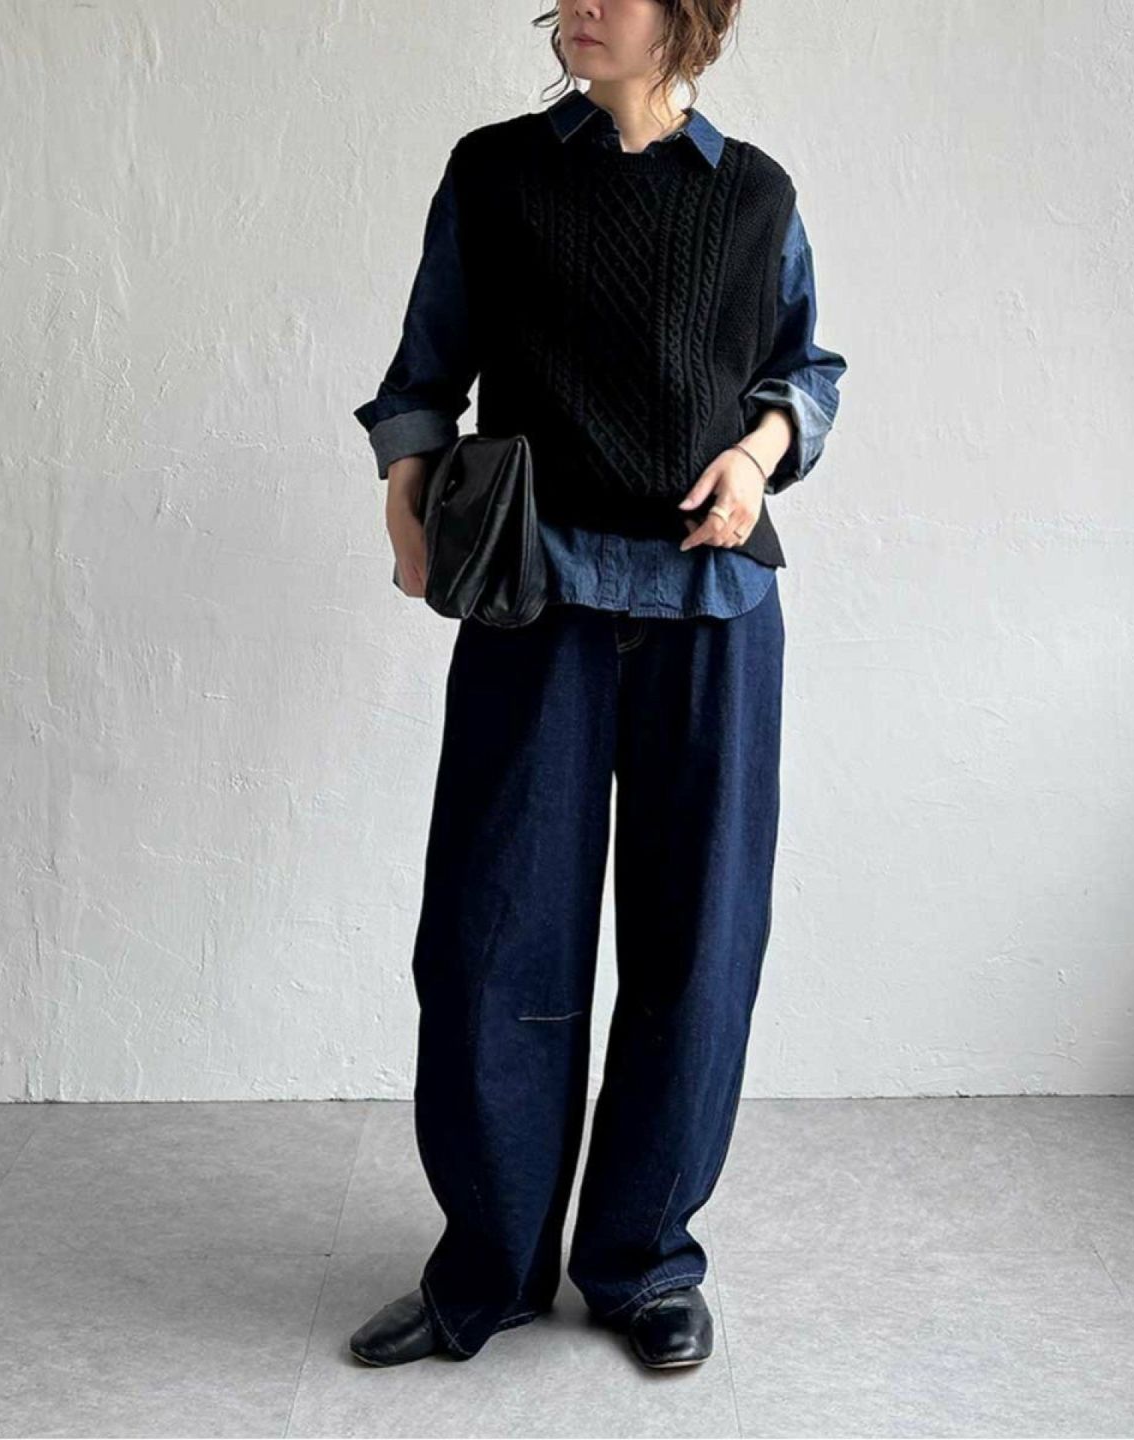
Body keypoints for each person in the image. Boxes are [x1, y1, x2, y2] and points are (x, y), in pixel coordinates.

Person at [348, 0, 846, 1370]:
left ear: (688, 15)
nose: (579, 7)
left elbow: (803, 372)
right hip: (537, 596)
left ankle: (644, 1262)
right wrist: (405, 507)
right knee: (489, 938)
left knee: (700, 944)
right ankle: (488, 1268)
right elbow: (425, 370)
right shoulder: (495, 171)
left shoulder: (755, 195)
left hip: (711, 606)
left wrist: (754, 460)